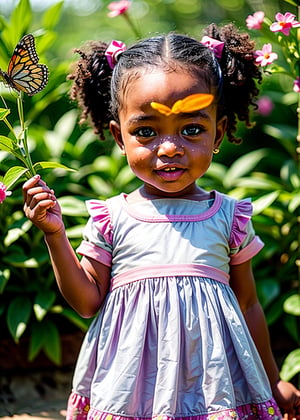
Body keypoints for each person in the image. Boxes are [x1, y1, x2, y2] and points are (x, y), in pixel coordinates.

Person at [23, 23, 300, 420]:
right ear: (120, 137)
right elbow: (86, 302)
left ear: (218, 132)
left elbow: (248, 304)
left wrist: (273, 379)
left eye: (191, 129)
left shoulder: (229, 217)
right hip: (132, 393)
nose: (169, 148)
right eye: (147, 132)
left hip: (214, 391)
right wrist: (55, 236)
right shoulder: (112, 218)